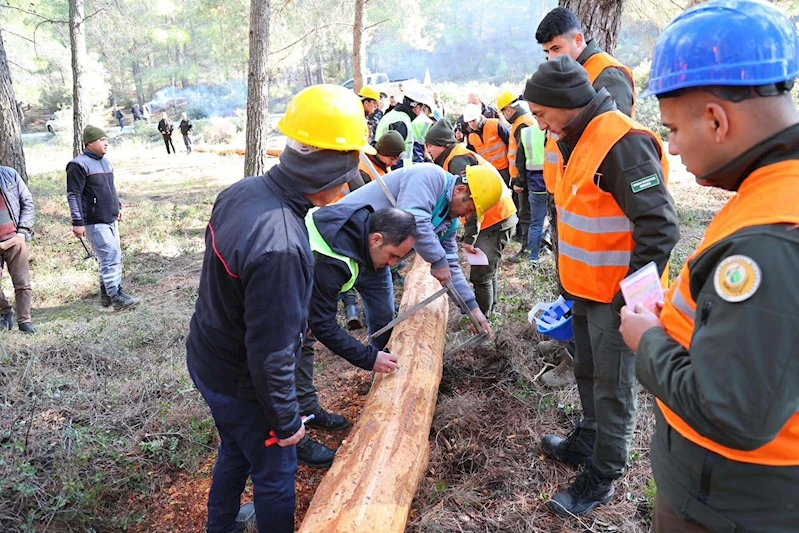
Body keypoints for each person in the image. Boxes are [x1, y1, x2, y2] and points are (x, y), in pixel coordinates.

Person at [619, 2, 799, 531]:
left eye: (673, 130)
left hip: (731, 500)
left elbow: (735, 413)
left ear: (717, 119)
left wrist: (648, 339)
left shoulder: (770, 241)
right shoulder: (773, 191)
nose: (671, 147)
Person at [185, 84, 374, 533]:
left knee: (235, 447)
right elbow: (270, 353)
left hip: (209, 360)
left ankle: (223, 525)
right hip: (244, 382)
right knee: (275, 474)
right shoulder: (283, 246)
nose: (347, 186)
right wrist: (288, 422)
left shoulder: (242, 192)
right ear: (323, 168)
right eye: (344, 174)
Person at [525, 56, 679, 518]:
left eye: (540, 114)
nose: (539, 124)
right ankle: (589, 438)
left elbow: (660, 228)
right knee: (588, 373)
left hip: (618, 300)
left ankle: (604, 474)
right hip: (585, 291)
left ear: (565, 104)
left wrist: (630, 296)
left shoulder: (622, 143)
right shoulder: (574, 136)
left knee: (614, 386)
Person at [535, 6, 638, 387]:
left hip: (592, 199)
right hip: (566, 193)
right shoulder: (566, 75)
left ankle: (578, 354)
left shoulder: (606, 74)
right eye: (548, 53)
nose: (553, 58)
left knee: (589, 283)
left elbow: (610, 138)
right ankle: (571, 336)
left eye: (558, 48)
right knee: (570, 276)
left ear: (580, 39)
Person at [296, 205, 417, 467]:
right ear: (376, 239)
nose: (394, 265)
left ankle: (307, 408)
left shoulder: (361, 223)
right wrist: (369, 358)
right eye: (394, 256)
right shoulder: (331, 260)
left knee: (304, 341)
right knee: (283, 359)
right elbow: (324, 325)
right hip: (265, 305)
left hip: (298, 286)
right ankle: (296, 441)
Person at [337, 162, 503, 338]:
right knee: (314, 310)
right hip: (343, 246)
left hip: (376, 262)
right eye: (470, 209)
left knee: (384, 320)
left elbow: (451, 265)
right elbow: (414, 220)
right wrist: (438, 260)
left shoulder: (449, 222)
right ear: (459, 190)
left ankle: (379, 361)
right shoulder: (429, 176)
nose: (467, 217)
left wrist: (472, 308)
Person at [425, 119, 517, 315]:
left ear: (441, 145)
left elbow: (474, 203)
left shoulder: (457, 161)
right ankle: (489, 310)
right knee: (486, 269)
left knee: (480, 274)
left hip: (495, 219)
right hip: (492, 218)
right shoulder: (455, 156)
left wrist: (469, 238)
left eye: (430, 146)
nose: (428, 151)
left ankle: (483, 318)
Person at [67, 126, 140, 310]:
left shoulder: (106, 162)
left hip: (111, 218)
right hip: (93, 220)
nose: (106, 142)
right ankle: (116, 297)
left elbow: (111, 188)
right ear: (90, 143)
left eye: (106, 139)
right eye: (101, 139)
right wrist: (78, 222)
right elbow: (73, 194)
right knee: (110, 255)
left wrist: (119, 206)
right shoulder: (78, 165)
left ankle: (106, 296)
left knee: (111, 256)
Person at [496, 91, 538, 261]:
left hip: (527, 177)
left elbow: (522, 155)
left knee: (527, 214)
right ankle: (529, 245)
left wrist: (519, 180)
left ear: (509, 110)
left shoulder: (522, 124)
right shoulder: (526, 120)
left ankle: (527, 250)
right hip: (531, 175)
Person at [0, 165, 35, 333]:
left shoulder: (9, 174)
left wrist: (22, 232)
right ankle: (5, 311)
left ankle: (25, 321)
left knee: (22, 284)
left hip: (15, 239)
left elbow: (27, 202)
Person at [375, 83, 436, 167]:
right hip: (396, 172)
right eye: (423, 108)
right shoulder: (401, 122)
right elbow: (394, 157)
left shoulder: (393, 116)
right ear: (417, 107)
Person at [463, 103, 511, 186]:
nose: (471, 124)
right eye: (469, 122)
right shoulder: (471, 136)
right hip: (488, 171)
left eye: (473, 120)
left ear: (480, 116)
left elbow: (511, 143)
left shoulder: (495, 125)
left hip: (504, 168)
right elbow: (472, 155)